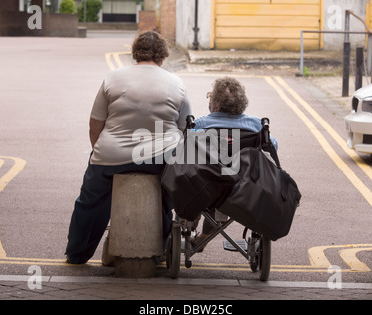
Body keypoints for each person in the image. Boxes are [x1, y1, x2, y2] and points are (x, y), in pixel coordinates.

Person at [65, 31, 192, 264]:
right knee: (166, 199)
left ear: (135, 52)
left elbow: (95, 124)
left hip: (112, 154)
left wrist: (101, 153)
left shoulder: (112, 78)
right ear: (163, 55)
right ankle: (161, 250)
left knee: (91, 202)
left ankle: (77, 253)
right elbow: (185, 129)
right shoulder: (177, 84)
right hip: (161, 159)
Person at [192, 76, 277, 249]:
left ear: (215, 105)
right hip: (244, 190)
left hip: (205, 188)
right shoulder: (255, 125)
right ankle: (204, 235)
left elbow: (184, 152)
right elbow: (273, 147)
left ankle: (196, 226)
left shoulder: (200, 124)